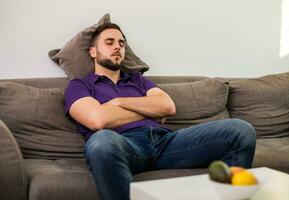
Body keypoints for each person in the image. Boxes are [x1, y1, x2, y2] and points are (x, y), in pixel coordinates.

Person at [64, 23, 256, 200]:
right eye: (109, 42)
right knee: (101, 141)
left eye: (122, 43)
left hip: (167, 143)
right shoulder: (79, 85)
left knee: (241, 130)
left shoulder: (138, 80)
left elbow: (167, 107)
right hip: (125, 145)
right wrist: (150, 110)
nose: (118, 47)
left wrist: (118, 102)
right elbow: (98, 120)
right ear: (93, 51)